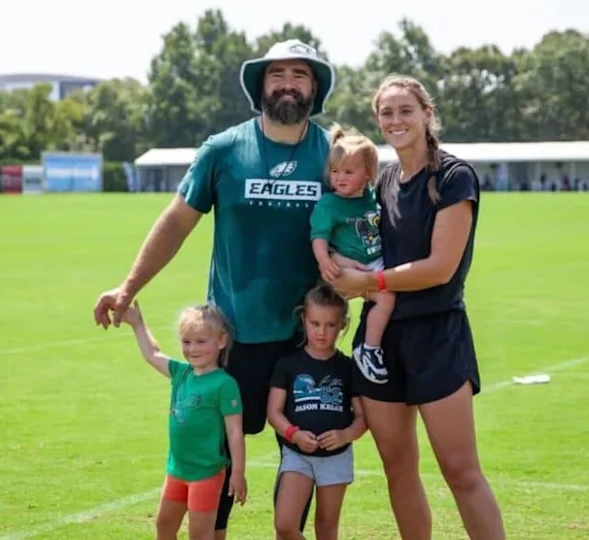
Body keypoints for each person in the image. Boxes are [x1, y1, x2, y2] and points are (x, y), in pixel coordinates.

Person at [93, 39, 335, 538]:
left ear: (315, 87)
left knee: (304, 450)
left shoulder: (333, 155)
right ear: (260, 86)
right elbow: (178, 222)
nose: (288, 84)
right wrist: (128, 285)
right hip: (234, 335)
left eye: (300, 75)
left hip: (307, 338)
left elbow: (358, 227)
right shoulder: (224, 150)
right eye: (277, 75)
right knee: (217, 451)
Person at [326, 75, 507, 540]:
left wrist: (368, 281)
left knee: (460, 470)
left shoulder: (453, 177)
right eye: (386, 113)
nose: (396, 120)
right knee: (397, 466)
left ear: (427, 114)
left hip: (437, 336)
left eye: (406, 110)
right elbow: (358, 240)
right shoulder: (382, 180)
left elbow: (439, 268)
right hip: (381, 340)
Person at [120, 300, 247, 540]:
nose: (193, 349)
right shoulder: (181, 373)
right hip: (177, 470)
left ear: (221, 341)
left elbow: (234, 432)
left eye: (201, 341)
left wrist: (238, 473)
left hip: (206, 474)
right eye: (186, 342)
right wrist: (137, 323)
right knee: (164, 527)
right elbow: (153, 353)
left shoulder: (224, 384)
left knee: (200, 535)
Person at [266, 284, 367, 540]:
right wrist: (293, 434)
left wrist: (345, 436)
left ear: (342, 325)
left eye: (331, 325)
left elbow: (363, 418)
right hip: (297, 455)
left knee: (326, 526)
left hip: (336, 457)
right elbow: (274, 412)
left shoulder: (347, 367)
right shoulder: (288, 364)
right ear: (304, 319)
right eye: (315, 323)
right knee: (285, 524)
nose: (322, 332)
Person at [309, 124, 394, 384]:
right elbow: (318, 237)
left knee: (394, 291)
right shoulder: (329, 204)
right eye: (334, 172)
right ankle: (369, 348)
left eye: (348, 171)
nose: (339, 178)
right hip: (347, 268)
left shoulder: (372, 198)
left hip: (374, 261)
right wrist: (325, 260)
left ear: (368, 174)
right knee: (387, 297)